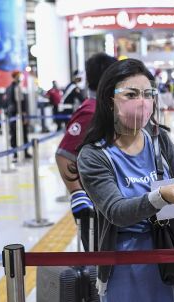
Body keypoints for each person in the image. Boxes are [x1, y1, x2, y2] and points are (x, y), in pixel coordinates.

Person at [77, 59, 174, 302]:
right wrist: (159, 197)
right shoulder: (94, 155)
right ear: (110, 99)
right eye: (131, 94)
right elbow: (116, 211)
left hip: (166, 256)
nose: (142, 102)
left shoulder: (160, 140)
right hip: (124, 266)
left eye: (148, 94)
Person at [56, 53, 117, 252]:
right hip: (96, 207)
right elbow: (64, 154)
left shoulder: (104, 108)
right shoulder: (91, 112)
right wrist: (77, 192)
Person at [4, 70, 31, 159]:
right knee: (17, 134)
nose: (21, 77)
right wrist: (24, 115)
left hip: (14, 114)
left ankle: (21, 152)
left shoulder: (10, 88)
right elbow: (20, 102)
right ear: (15, 76)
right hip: (17, 115)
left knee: (17, 134)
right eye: (19, 75)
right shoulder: (16, 88)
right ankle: (18, 153)